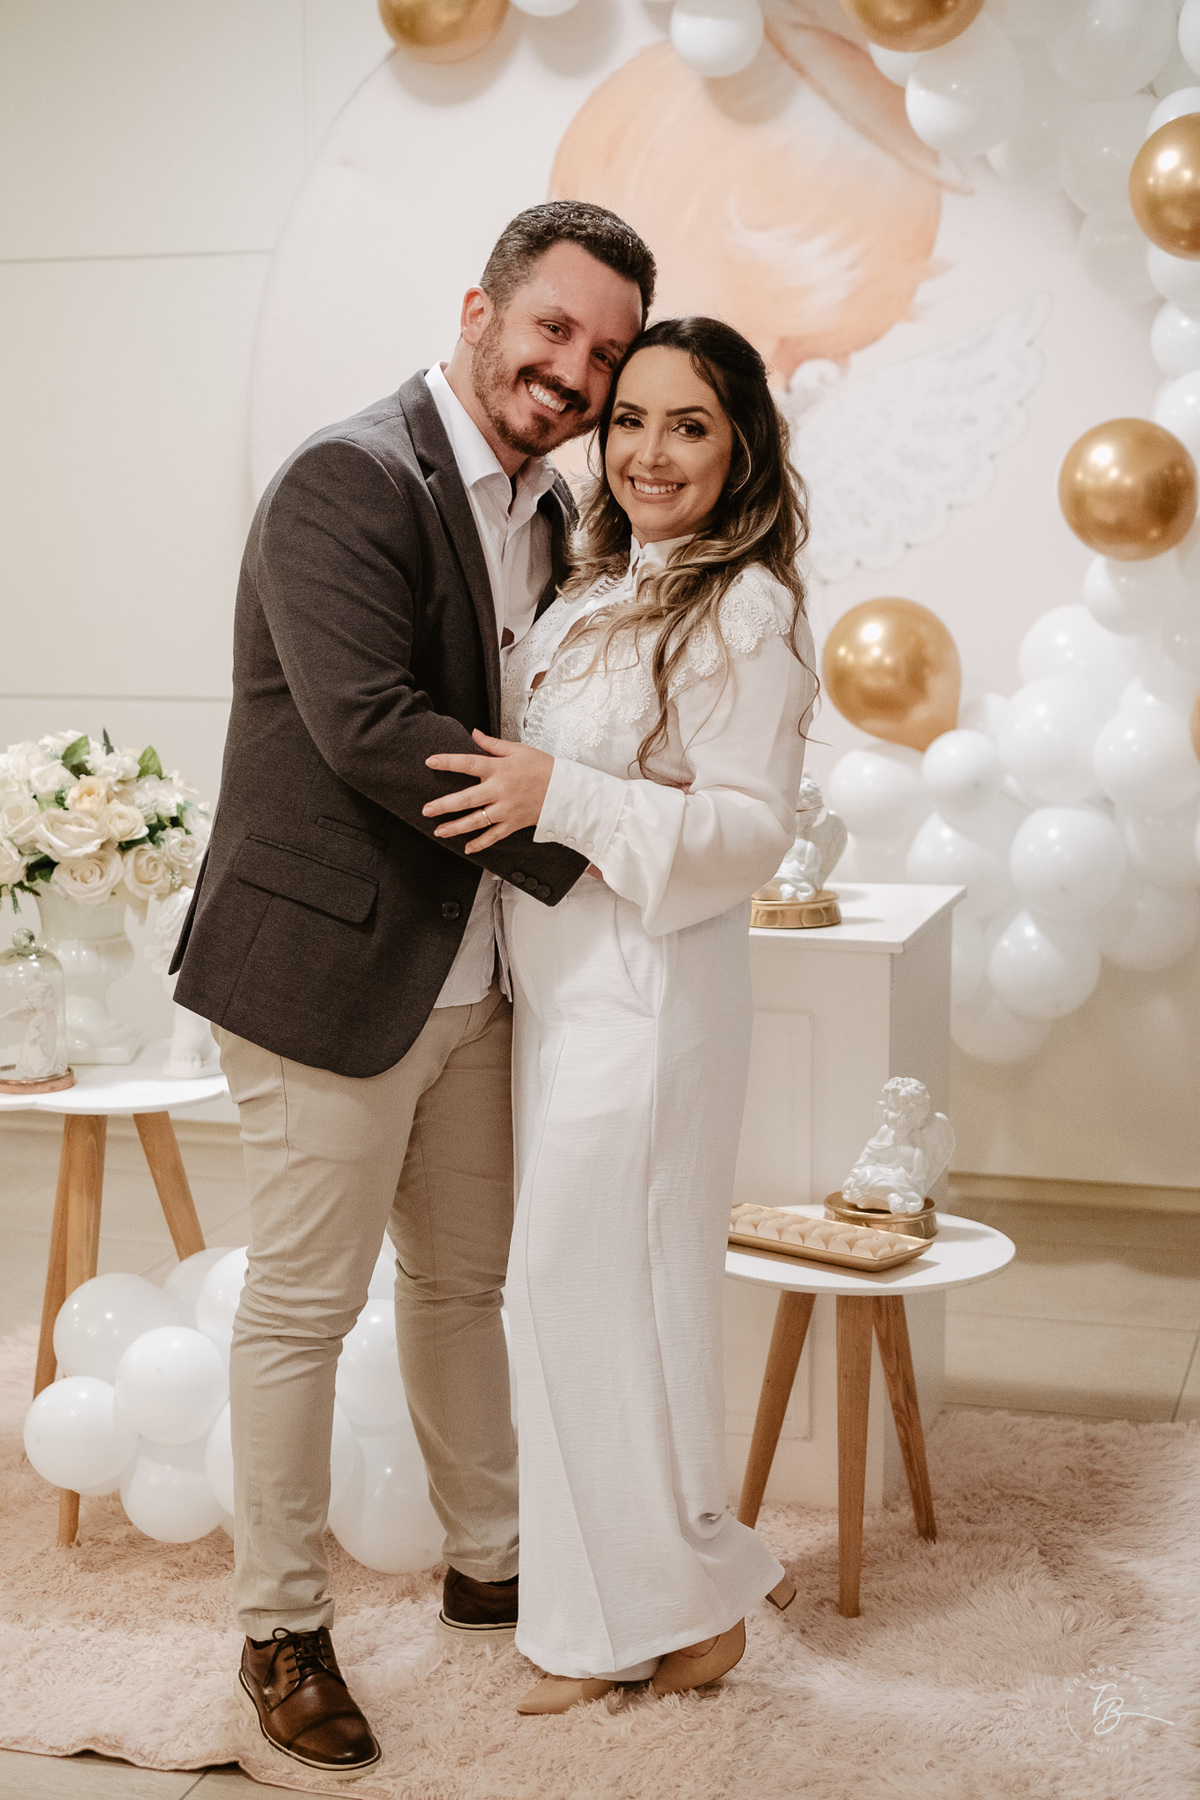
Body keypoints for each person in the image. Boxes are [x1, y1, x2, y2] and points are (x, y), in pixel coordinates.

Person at [170, 202, 654, 1780]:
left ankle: (492, 1560)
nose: (573, 370)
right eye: (553, 330)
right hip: (328, 970)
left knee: (461, 1289)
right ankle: (280, 1628)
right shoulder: (348, 477)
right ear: (481, 308)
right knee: (302, 1311)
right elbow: (374, 727)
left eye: (603, 349)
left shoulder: (551, 506)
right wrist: (601, 845)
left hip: (470, 981)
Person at [422, 315, 818, 1712]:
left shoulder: (744, 608)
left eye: (689, 425)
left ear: (740, 445)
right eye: (631, 419)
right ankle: (657, 1612)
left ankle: (649, 1617)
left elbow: (748, 831)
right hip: (569, 998)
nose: (649, 452)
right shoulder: (597, 592)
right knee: (590, 1303)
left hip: (651, 1005)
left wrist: (563, 797)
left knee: (599, 1298)